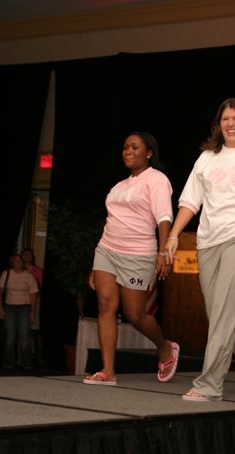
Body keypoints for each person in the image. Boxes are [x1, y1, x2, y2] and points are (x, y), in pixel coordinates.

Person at [165, 97, 235, 401]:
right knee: (221, 316)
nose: (230, 124)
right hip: (209, 242)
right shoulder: (206, 158)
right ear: (219, 124)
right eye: (225, 119)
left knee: (224, 315)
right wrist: (174, 234)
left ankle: (210, 384)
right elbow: (190, 200)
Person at [84, 131, 180, 385]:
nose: (127, 151)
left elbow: (164, 218)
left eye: (134, 147)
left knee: (135, 314)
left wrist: (163, 252)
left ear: (148, 152)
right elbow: (110, 222)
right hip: (107, 249)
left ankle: (165, 347)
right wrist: (96, 266)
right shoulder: (119, 186)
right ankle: (107, 371)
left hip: (138, 253)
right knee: (105, 307)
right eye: (125, 147)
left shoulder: (157, 180)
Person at [0, 253, 39, 370]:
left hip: (24, 307)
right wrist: (0, 308)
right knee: (10, 338)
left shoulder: (28, 276)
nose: (18, 263)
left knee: (24, 337)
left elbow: (33, 294)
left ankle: (25, 363)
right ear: (12, 263)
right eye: (15, 261)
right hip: (9, 307)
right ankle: (9, 363)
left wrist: (33, 311)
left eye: (19, 260)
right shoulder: (6, 274)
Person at [21, 247, 44, 365]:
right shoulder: (18, 270)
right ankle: (25, 358)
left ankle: (39, 358)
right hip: (21, 302)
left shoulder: (38, 271)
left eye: (29, 254)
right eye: (24, 254)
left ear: (32, 257)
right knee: (24, 331)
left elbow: (40, 288)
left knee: (35, 330)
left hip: (35, 301)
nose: (26, 256)